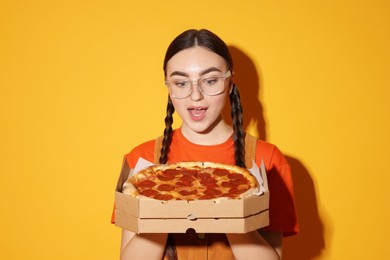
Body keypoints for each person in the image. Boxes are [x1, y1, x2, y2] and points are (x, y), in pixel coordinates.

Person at [113, 29, 298, 260]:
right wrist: (165, 196)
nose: (195, 95)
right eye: (181, 83)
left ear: (230, 83)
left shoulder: (267, 160)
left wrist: (232, 202)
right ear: (169, 89)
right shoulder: (143, 162)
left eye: (210, 80)